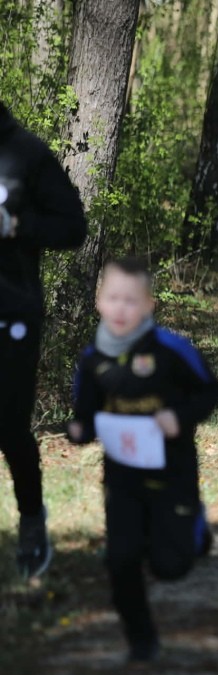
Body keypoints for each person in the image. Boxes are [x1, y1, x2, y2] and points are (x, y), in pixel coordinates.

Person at [68, 257, 218, 662]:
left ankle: (195, 525)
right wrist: (79, 432)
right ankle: (141, 639)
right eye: (113, 298)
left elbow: (211, 391)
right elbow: (85, 416)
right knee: (121, 557)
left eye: (131, 301)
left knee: (170, 567)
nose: (121, 309)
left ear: (148, 305)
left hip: (172, 470)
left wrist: (178, 417)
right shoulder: (92, 360)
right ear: (99, 302)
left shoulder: (171, 350)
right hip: (121, 476)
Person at [0, 101, 87, 580]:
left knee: (9, 427)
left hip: (11, 312)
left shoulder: (27, 154)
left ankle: (32, 523)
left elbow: (73, 228)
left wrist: (17, 228)